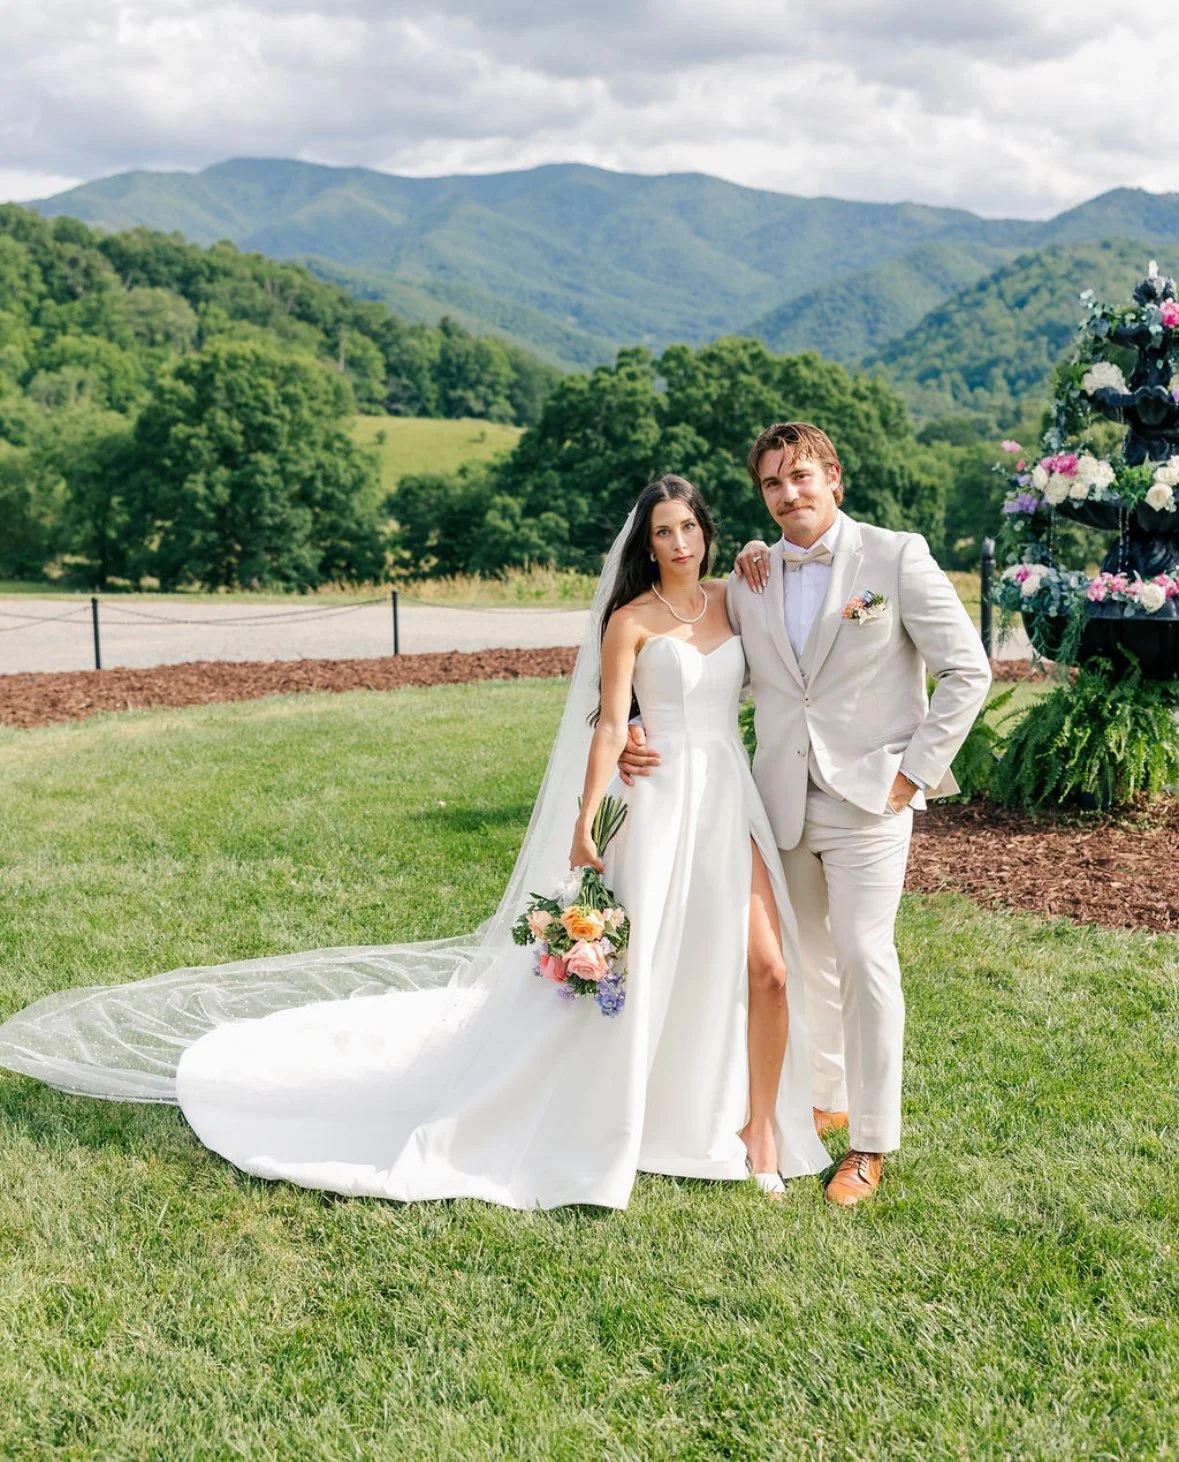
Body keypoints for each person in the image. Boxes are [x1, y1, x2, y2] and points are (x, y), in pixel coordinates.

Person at [0, 476, 828, 1210]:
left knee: (767, 968)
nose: (679, 543)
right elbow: (611, 723)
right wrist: (583, 820)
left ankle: (758, 1130)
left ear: (708, 531)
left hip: (728, 801)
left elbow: (780, 598)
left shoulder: (734, 596)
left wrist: (759, 546)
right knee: (644, 970)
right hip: (653, 808)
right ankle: (621, 1113)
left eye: (690, 528)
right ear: (644, 546)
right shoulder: (629, 622)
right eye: (663, 532)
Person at [620, 424, 991, 1207]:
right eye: (771, 485)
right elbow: (688, 655)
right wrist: (630, 727)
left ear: (834, 478)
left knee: (864, 956)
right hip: (775, 801)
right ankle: (822, 1099)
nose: (788, 495)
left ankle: (869, 1145)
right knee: (802, 964)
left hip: (870, 799)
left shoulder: (895, 557)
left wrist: (911, 775)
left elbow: (967, 669)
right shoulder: (752, 575)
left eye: (800, 478)